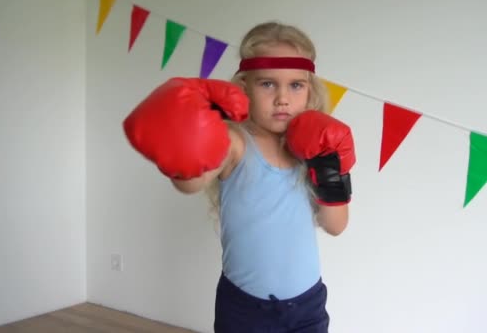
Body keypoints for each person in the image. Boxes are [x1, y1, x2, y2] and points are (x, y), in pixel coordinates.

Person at [123, 21, 356, 333]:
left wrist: (329, 169)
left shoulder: (316, 147)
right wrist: (182, 144)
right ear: (245, 87)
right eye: (268, 84)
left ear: (310, 90)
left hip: (308, 306)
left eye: (295, 85)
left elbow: (336, 226)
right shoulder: (235, 142)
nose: (282, 98)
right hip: (245, 309)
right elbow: (189, 184)